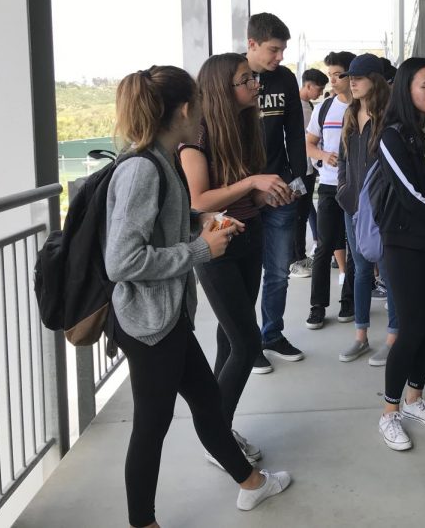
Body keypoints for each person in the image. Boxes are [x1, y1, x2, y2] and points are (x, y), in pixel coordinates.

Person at [105, 65, 290, 528]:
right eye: (199, 104)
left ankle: (252, 484)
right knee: (152, 425)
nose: (204, 112)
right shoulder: (144, 169)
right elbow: (121, 261)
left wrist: (197, 225)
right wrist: (198, 249)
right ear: (185, 109)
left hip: (166, 317)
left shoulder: (160, 161)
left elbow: (162, 226)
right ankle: (142, 521)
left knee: (207, 403)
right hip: (148, 323)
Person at [180, 54, 290, 454]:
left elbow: (246, 192)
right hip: (217, 245)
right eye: (246, 80)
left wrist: (266, 193)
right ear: (222, 87)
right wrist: (252, 182)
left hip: (249, 236)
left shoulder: (245, 124)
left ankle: (218, 424)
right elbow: (199, 199)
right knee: (246, 344)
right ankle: (219, 440)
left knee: (230, 339)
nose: (255, 86)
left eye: (253, 79)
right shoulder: (198, 135)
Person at [375, 56, 425, 452]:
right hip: (404, 244)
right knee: (409, 330)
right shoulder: (392, 135)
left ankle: (414, 401)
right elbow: (410, 194)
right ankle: (389, 413)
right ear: (407, 89)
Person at [247, 13, 305, 373]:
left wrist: (295, 180)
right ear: (252, 44)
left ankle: (272, 334)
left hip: (280, 190)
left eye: (283, 50)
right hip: (241, 195)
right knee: (243, 273)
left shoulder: (285, 79)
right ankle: (245, 341)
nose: (279, 56)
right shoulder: (229, 76)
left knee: (279, 271)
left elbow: (296, 133)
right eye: (273, 49)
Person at [336, 54, 399, 365]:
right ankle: (361, 336)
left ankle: (393, 337)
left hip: (382, 208)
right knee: (360, 270)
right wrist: (345, 193)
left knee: (389, 272)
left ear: (375, 79)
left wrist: (383, 203)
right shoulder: (350, 114)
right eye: (351, 77)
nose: (353, 82)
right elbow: (344, 161)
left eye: (358, 77)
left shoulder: (390, 117)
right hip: (353, 206)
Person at [305, 52, 357, 329]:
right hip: (328, 185)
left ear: (352, 76)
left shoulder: (364, 107)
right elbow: (309, 144)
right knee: (324, 246)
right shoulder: (324, 108)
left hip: (357, 187)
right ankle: (317, 306)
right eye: (330, 75)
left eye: (339, 74)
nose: (333, 80)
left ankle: (348, 300)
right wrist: (324, 155)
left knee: (355, 247)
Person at [290, 68, 328, 277]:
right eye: (319, 89)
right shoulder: (300, 108)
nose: (320, 94)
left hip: (304, 168)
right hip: (301, 170)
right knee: (298, 214)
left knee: (302, 212)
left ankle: (298, 256)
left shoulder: (304, 106)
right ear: (308, 85)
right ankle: (295, 259)